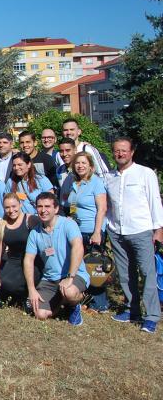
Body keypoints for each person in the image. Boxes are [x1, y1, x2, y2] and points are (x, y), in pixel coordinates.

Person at [104, 138, 162, 333]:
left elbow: (155, 202)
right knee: (125, 275)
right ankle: (132, 310)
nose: (120, 154)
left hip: (141, 231)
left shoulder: (145, 174)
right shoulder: (109, 177)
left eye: (124, 151)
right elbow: (108, 207)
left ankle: (151, 316)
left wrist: (159, 230)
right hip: (117, 232)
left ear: (132, 152)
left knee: (147, 274)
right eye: (117, 151)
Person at [25, 192, 89, 326]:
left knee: (70, 291)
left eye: (47, 206)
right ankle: (61, 302)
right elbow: (28, 260)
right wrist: (31, 289)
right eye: (40, 206)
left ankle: (74, 305)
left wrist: (70, 277)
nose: (43, 210)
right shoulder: (35, 233)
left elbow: (78, 247)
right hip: (50, 279)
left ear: (56, 209)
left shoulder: (68, 225)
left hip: (74, 275)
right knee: (39, 314)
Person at [59, 151, 109, 312]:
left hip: (91, 231)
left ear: (91, 166)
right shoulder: (74, 183)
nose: (80, 166)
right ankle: (84, 298)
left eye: (83, 163)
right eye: (77, 163)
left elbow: (102, 209)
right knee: (80, 266)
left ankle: (100, 304)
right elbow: (70, 206)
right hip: (77, 231)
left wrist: (97, 232)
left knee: (95, 267)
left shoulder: (96, 182)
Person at [0, 193, 40, 307]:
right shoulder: (1, 224)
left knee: (14, 285)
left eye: (14, 206)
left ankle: (26, 296)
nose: (11, 210)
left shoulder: (31, 220)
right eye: (7, 207)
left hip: (32, 261)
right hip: (13, 260)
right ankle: (17, 296)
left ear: (20, 205)